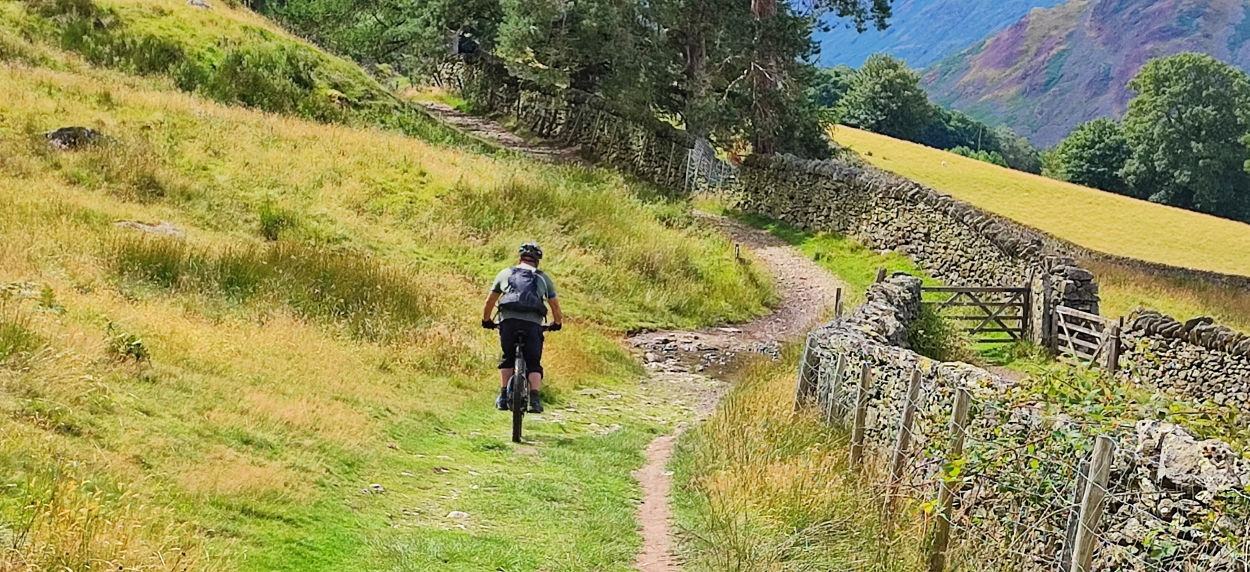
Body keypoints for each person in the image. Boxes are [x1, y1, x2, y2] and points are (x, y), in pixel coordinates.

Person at [481, 242, 563, 413]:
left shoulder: (505, 273)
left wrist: (486, 320)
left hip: (509, 321)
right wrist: (557, 323)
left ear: (520, 258)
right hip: (533, 323)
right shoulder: (543, 278)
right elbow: (554, 305)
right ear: (537, 261)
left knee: (508, 357)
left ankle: (503, 396)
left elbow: (490, 300)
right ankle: (534, 400)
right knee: (533, 362)